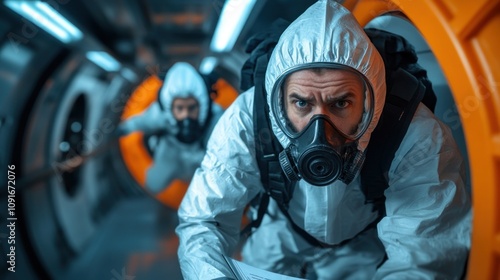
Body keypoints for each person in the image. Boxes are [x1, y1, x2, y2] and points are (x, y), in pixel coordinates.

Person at [176, 1, 472, 279]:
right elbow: (204, 221)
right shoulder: (248, 119)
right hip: (281, 229)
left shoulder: (410, 130)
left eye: (341, 103)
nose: (320, 130)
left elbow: (424, 250)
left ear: (372, 102)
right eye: (302, 104)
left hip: (366, 237)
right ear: (278, 103)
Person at [117, 61, 224, 194]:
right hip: (171, 151)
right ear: (170, 107)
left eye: (191, 108)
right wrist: (123, 129)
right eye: (180, 108)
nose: (186, 115)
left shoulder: (216, 117)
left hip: (202, 156)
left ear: (202, 105)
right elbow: (142, 121)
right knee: (153, 184)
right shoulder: (160, 114)